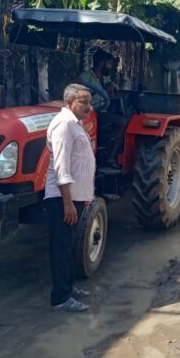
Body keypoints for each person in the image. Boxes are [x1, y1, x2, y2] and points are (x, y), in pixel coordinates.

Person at [45, 83, 96, 312]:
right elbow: (61, 168)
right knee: (61, 247)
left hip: (73, 198)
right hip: (62, 199)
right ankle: (60, 298)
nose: (89, 107)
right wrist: (67, 203)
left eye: (89, 102)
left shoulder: (75, 124)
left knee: (69, 246)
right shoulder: (64, 125)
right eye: (83, 102)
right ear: (69, 102)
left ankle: (67, 288)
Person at [79, 49, 125, 166]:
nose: (110, 67)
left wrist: (110, 87)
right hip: (92, 113)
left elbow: (105, 92)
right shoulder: (86, 76)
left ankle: (106, 151)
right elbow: (74, 85)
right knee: (123, 122)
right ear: (101, 64)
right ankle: (111, 158)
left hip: (102, 111)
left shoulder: (102, 79)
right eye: (108, 64)